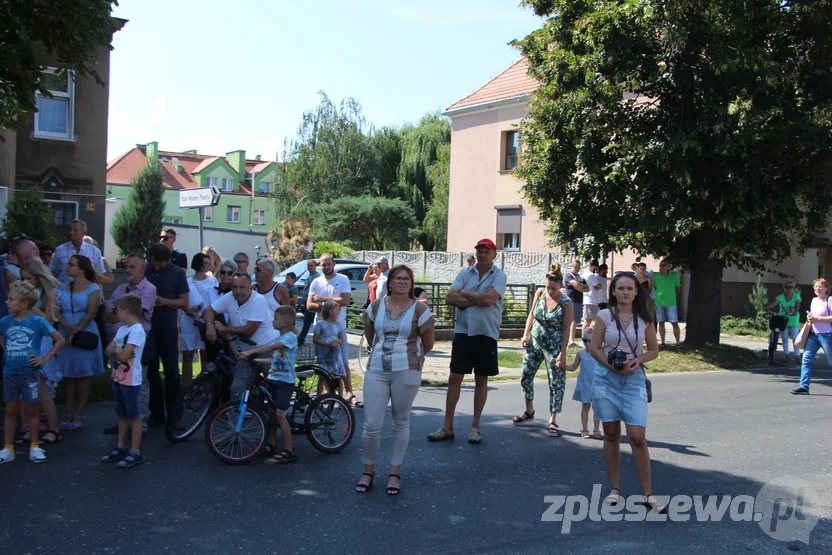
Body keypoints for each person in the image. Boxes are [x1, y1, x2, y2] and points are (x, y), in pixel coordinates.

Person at [356, 264, 435, 495]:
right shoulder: (376, 306)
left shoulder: (420, 310)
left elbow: (428, 344)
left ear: (411, 284)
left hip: (407, 370)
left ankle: (394, 473)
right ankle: (368, 471)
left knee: (400, 421)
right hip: (377, 369)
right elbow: (370, 335)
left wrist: (414, 360)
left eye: (406, 279)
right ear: (389, 282)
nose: (402, 282)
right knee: (371, 424)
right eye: (398, 278)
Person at [588, 272, 663, 513]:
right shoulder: (604, 316)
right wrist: (610, 365)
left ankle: (648, 494)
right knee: (610, 434)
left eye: (630, 288)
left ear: (636, 292)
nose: (625, 293)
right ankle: (615, 489)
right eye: (620, 288)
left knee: (637, 437)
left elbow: (653, 349)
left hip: (633, 380)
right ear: (613, 292)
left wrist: (638, 361)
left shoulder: (645, 319)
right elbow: (594, 348)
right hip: (606, 379)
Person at [428, 238, 506, 445]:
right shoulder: (465, 272)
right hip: (463, 332)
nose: (481, 255)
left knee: (481, 380)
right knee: (455, 378)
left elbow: (490, 301)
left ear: (494, 255)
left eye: (485, 251)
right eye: (479, 251)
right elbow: (449, 298)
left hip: (486, 333)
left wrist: (464, 294)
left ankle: (475, 428)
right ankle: (447, 426)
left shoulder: (499, 275)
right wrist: (477, 298)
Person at [0, 282, 65, 464]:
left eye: (11, 299)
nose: (7, 302)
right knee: (11, 409)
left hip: (29, 373)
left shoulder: (37, 321)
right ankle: (7, 448)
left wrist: (44, 359)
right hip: (10, 372)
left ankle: (35, 446)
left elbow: (59, 340)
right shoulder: (5, 322)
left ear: (24, 303)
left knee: (32, 409)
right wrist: (8, 350)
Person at [513, 264, 573, 436]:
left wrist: (563, 353)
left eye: (553, 288)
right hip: (535, 342)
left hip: (554, 347)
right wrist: (525, 335)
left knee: (556, 382)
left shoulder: (566, 303)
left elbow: (567, 329)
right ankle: (529, 410)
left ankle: (553, 419)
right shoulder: (539, 293)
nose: (550, 291)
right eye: (548, 287)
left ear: (561, 285)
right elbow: (532, 314)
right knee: (526, 375)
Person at [103, 254, 156, 435]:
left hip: (138, 340)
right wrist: (117, 315)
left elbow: (137, 315)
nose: (128, 270)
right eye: (126, 267)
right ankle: (123, 422)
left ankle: (140, 423)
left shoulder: (149, 289)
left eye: (132, 267)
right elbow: (108, 313)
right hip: (119, 337)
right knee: (120, 378)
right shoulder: (120, 288)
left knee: (139, 381)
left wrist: (118, 315)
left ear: (143, 268)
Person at [240, 306, 299, 463]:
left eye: (275, 318)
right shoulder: (279, 339)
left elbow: (271, 348)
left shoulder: (290, 337)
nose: (273, 321)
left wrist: (252, 352)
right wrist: (257, 360)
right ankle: (271, 443)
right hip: (274, 379)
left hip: (285, 382)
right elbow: (274, 359)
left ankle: (289, 449)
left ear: (285, 322)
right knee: (271, 415)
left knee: (280, 415)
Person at [55, 255, 104, 431]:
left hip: (85, 332)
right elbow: (57, 309)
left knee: (83, 375)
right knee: (68, 376)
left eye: (71, 264)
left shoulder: (93, 288)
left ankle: (80, 413)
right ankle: (68, 412)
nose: (67, 267)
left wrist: (76, 330)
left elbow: (91, 312)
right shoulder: (63, 287)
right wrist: (67, 327)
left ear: (82, 268)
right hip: (65, 331)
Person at [306, 254, 361, 407]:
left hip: (339, 326)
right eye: (323, 264)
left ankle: (349, 393)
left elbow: (345, 300)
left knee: (343, 362)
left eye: (328, 264)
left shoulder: (343, 279)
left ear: (334, 264)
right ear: (320, 266)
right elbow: (309, 305)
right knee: (323, 364)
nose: (326, 267)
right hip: (322, 328)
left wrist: (323, 300)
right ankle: (325, 395)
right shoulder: (316, 281)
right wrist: (329, 308)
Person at [19, 259, 63, 446]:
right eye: (23, 279)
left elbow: (49, 318)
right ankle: (30, 427)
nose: (26, 282)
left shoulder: (49, 293)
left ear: (38, 277)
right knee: (25, 388)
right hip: (26, 340)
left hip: (43, 341)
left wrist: (29, 304)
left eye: (29, 278)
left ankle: (54, 428)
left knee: (41, 387)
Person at [144, 243, 189, 424]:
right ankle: (156, 412)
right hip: (148, 326)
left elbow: (184, 302)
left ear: (167, 260)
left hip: (168, 327)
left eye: (160, 264)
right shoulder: (146, 270)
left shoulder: (177, 273)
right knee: (151, 370)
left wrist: (165, 301)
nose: (156, 267)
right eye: (154, 262)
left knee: (171, 371)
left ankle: (175, 414)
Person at [100, 294, 147, 468]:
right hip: (118, 377)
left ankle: (135, 451)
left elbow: (125, 355)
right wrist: (117, 351)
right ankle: (121, 446)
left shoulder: (137, 330)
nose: (116, 314)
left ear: (126, 310)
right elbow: (109, 350)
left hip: (131, 380)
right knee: (122, 413)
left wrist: (116, 351)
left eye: (117, 310)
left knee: (134, 415)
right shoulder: (122, 330)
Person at [203, 273, 279, 350]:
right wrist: (210, 325)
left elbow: (248, 331)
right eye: (234, 287)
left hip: (269, 348)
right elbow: (208, 311)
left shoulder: (258, 300)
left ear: (251, 288)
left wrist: (224, 329)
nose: (238, 291)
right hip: (248, 352)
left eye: (242, 287)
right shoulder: (230, 297)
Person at [791, 278, 832, 395]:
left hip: (827, 335)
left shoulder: (829, 300)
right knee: (806, 359)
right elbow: (813, 316)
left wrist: (818, 319)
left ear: (826, 289)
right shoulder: (814, 300)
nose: (817, 289)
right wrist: (810, 318)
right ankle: (804, 387)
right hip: (813, 334)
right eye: (815, 287)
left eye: (820, 286)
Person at [180, 254, 216, 385]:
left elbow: (215, 299)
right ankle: (186, 388)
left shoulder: (212, 281)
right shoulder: (187, 281)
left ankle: (205, 386)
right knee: (187, 354)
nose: (207, 265)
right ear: (198, 264)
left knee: (205, 353)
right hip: (189, 321)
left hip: (205, 320)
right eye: (205, 263)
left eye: (208, 263)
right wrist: (187, 310)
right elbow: (182, 298)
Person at [569, 327, 602, 440]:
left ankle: (597, 429)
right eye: (585, 340)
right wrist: (562, 366)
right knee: (585, 406)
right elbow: (573, 367)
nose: (587, 343)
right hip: (585, 384)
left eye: (590, 341)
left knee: (597, 408)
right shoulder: (581, 354)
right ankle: (584, 428)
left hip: (598, 384)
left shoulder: (600, 354)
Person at [50, 220, 106, 284]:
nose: (72, 232)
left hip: (86, 291)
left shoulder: (95, 251)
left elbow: (100, 274)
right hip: (64, 291)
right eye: (70, 229)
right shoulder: (59, 250)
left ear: (83, 232)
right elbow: (52, 272)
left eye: (75, 230)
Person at [313, 301, 346, 395]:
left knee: (338, 376)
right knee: (322, 376)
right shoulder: (320, 324)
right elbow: (315, 339)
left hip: (335, 354)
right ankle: (319, 397)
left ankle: (340, 398)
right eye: (337, 309)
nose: (339, 311)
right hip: (324, 354)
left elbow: (341, 339)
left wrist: (337, 341)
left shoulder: (338, 325)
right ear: (330, 311)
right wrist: (324, 344)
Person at [767, 280, 802, 361]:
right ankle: (787, 354)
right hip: (782, 319)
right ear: (784, 288)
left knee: (795, 338)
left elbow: (797, 305)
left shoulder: (796, 296)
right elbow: (774, 303)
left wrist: (795, 312)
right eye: (787, 287)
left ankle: (797, 355)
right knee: (784, 338)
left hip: (793, 319)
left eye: (791, 287)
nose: (788, 289)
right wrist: (766, 308)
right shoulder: (780, 297)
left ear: (793, 288)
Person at [653, 259, 681, 348]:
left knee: (674, 323)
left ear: (668, 266)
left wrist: (672, 296)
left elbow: (678, 288)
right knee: (661, 322)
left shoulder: (674, 275)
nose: (661, 267)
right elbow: (655, 286)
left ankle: (677, 343)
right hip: (659, 302)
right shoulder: (657, 276)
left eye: (663, 265)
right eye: (660, 266)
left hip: (671, 303)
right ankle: (663, 342)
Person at [564, 261, 588, 347]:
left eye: (578, 267)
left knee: (576, 321)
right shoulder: (569, 276)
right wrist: (580, 286)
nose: (577, 269)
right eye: (575, 267)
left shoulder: (580, 277)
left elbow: (587, 288)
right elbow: (576, 284)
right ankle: (570, 341)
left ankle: (572, 340)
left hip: (579, 301)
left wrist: (580, 287)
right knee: (572, 322)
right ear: (572, 266)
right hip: (571, 301)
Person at [297, 260, 321, 346]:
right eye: (308, 265)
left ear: (315, 266)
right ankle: (301, 338)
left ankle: (301, 339)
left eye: (311, 265)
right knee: (308, 322)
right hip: (306, 302)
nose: (310, 267)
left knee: (307, 322)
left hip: (312, 303)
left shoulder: (317, 277)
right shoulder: (309, 275)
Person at [581, 260, 601, 329]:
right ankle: (584, 336)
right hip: (591, 299)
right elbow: (599, 286)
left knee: (588, 320)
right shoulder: (590, 275)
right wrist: (597, 286)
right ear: (593, 266)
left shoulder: (584, 272)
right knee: (588, 320)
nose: (596, 269)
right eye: (595, 267)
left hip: (588, 299)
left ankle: (585, 336)